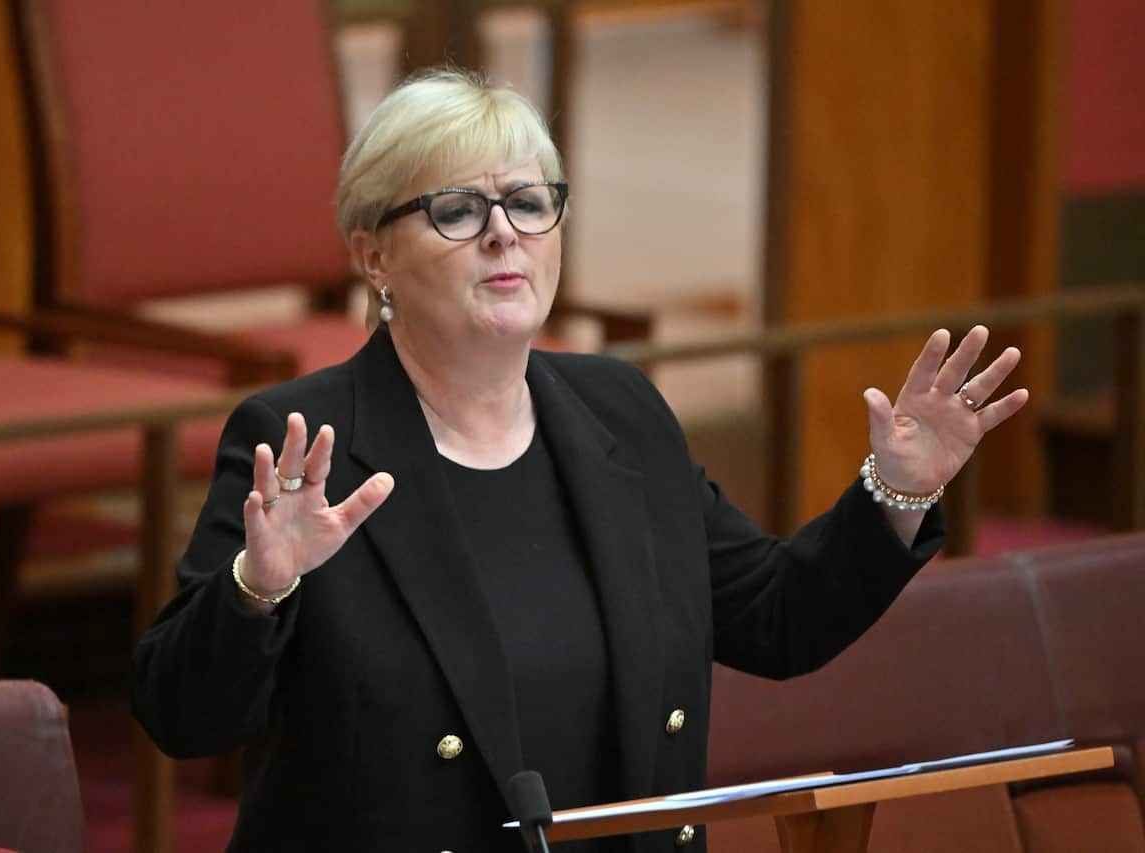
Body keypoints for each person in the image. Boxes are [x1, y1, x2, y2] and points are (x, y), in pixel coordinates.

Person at [131, 69, 1028, 853]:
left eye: (527, 201)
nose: (502, 234)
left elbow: (776, 616)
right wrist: (259, 585)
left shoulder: (619, 412)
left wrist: (899, 492)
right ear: (373, 255)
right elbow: (184, 718)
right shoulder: (302, 438)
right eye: (454, 210)